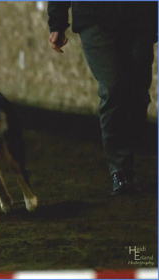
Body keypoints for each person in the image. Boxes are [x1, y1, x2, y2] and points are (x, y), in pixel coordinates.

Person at [47, 2, 158, 195]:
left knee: (138, 94)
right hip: (94, 16)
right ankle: (121, 171)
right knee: (113, 88)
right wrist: (57, 22)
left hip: (140, 16)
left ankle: (126, 154)